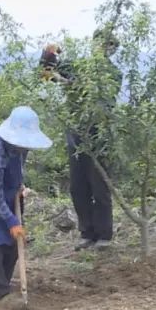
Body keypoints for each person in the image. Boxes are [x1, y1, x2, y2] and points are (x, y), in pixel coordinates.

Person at [40, 31, 121, 250]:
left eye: (109, 45)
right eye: (100, 43)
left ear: (112, 49)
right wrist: (48, 54)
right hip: (75, 133)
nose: (103, 48)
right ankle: (87, 233)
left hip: (99, 135)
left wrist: (71, 84)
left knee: (99, 187)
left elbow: (103, 101)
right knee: (78, 187)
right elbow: (46, 74)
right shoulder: (77, 65)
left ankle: (104, 236)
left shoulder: (113, 73)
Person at [0, 106, 53, 302]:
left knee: (14, 242)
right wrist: (11, 220)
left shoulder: (22, 146)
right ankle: (0, 294)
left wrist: (19, 186)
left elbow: (17, 167)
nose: (25, 147)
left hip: (9, 194)